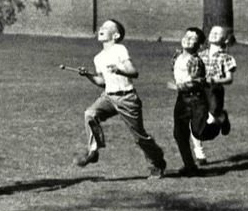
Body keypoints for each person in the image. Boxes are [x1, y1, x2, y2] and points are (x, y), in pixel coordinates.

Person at [70, 18, 167, 178]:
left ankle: (157, 162)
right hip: (108, 96)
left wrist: (119, 70)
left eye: (107, 27)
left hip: (127, 98)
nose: (101, 28)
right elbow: (102, 82)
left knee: (139, 137)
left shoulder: (120, 49)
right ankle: (93, 151)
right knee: (90, 114)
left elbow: (134, 72)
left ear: (115, 35)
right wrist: (88, 75)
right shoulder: (98, 58)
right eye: (101, 26)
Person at [192, 24, 236, 164]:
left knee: (211, 120)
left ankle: (222, 117)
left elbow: (229, 79)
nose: (214, 34)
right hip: (199, 91)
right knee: (195, 121)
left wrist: (215, 79)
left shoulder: (226, 58)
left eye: (218, 33)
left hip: (214, 91)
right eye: (212, 32)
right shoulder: (200, 54)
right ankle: (199, 153)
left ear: (225, 39)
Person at [167, 27, 207, 176]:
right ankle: (189, 165)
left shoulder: (195, 60)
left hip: (196, 99)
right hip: (182, 99)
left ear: (199, 45)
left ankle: (220, 119)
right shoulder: (177, 56)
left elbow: (198, 82)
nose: (188, 39)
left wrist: (179, 86)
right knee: (179, 132)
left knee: (198, 131)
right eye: (186, 36)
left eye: (192, 38)